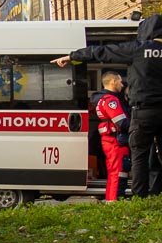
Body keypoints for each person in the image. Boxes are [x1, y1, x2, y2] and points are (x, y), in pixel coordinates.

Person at [53, 14, 162, 198]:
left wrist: (73, 56)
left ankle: (140, 197)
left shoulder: (137, 49)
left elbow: (103, 52)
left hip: (143, 112)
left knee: (139, 155)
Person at [91, 71, 130, 200]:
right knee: (118, 174)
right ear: (113, 81)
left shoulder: (103, 99)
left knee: (116, 173)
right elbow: (122, 123)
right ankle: (114, 203)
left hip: (112, 140)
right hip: (115, 141)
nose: (122, 84)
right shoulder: (110, 100)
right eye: (120, 81)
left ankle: (112, 202)